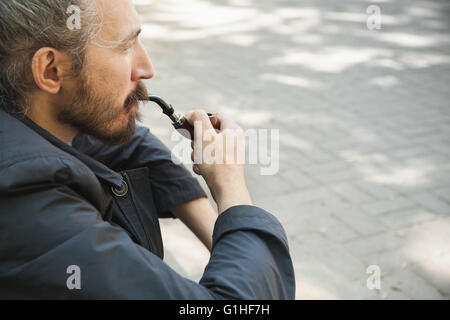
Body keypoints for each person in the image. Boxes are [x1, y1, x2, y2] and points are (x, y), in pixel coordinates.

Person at [0, 0, 295, 299]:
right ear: (51, 69)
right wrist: (231, 186)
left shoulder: (26, 121)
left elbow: (125, 146)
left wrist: (218, 232)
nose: (147, 68)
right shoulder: (26, 199)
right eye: (125, 46)